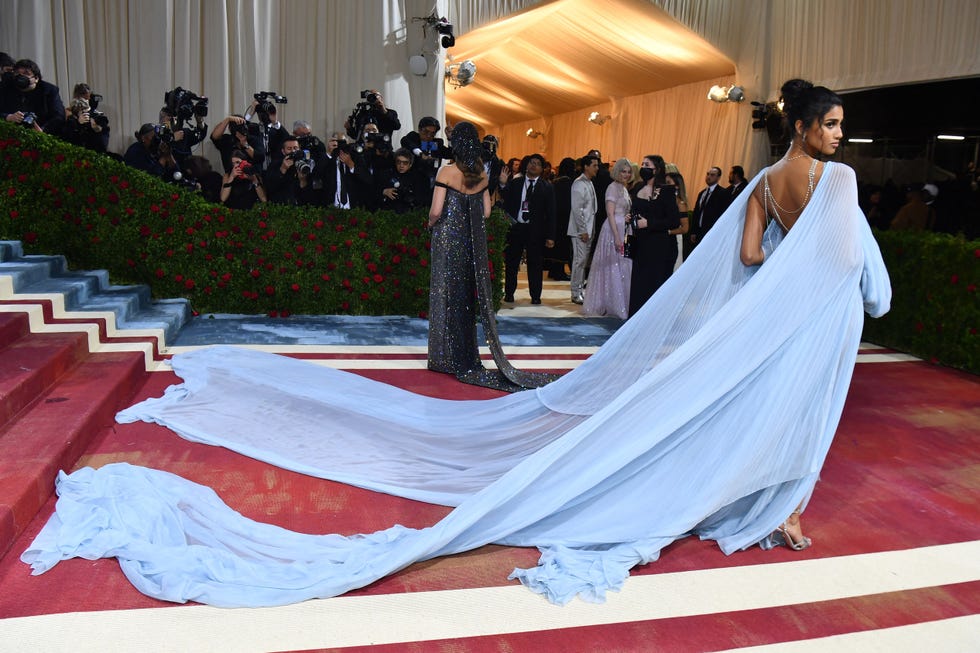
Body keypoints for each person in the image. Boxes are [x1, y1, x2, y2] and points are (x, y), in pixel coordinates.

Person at [23, 78, 891, 611]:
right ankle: (778, 509)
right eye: (832, 124)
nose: (839, 138)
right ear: (805, 125)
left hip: (744, 309)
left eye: (841, 128)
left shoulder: (772, 185)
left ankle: (771, 507)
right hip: (798, 326)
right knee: (784, 411)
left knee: (732, 411)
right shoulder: (836, 187)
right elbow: (845, 271)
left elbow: (746, 257)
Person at [427, 122, 558, 391]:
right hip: (469, 242)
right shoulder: (479, 174)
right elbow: (486, 213)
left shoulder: (447, 171)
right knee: (463, 296)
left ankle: (443, 356)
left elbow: (436, 210)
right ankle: (464, 353)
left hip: (447, 240)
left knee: (444, 293)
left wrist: (430, 224)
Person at [627, 155, 681, 317]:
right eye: (642, 164)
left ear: (656, 169)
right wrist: (629, 217)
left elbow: (673, 221)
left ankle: (652, 320)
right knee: (638, 284)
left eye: (647, 164)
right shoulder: (637, 188)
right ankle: (635, 320)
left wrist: (649, 223)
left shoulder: (666, 191)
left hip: (658, 246)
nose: (643, 167)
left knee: (653, 284)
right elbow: (636, 209)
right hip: (640, 244)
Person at [501, 153, 557, 304]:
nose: (534, 165)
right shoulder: (516, 183)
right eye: (531, 162)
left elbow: (551, 213)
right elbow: (504, 201)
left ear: (542, 169)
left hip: (536, 231)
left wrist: (551, 236)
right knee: (512, 263)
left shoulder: (547, 187)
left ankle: (536, 296)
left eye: (537, 164)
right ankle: (509, 293)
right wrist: (503, 184)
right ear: (526, 165)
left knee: (535, 264)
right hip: (516, 228)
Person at [582, 157, 633, 319]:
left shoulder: (624, 188)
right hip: (613, 231)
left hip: (624, 228)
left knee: (623, 267)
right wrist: (617, 236)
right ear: (617, 171)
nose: (626, 174)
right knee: (612, 266)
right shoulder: (612, 188)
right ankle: (610, 303)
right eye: (623, 171)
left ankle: (620, 302)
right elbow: (610, 213)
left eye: (628, 171)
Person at [0, 59, 65, 134]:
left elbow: (59, 116)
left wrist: (42, 130)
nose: (21, 76)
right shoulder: (4, 87)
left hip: (42, 134)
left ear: (36, 78)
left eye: (26, 73)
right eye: (17, 73)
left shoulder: (49, 90)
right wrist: (8, 117)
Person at [568, 154, 599, 304]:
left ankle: (579, 290)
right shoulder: (579, 183)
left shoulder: (589, 182)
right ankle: (575, 292)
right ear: (586, 166)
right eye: (594, 165)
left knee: (582, 261)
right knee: (579, 261)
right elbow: (577, 209)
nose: (597, 168)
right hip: (581, 230)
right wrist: (583, 230)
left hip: (588, 228)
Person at [687, 166, 729, 258]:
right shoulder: (702, 193)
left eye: (712, 175)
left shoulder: (723, 193)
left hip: (712, 231)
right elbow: (696, 213)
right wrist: (693, 231)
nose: (709, 177)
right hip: (699, 231)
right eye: (708, 174)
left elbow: (723, 215)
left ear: (718, 178)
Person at [665, 171, 691, 270]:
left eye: (668, 183)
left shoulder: (680, 204)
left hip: (674, 239)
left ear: (676, 186)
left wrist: (669, 232)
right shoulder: (664, 202)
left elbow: (685, 228)